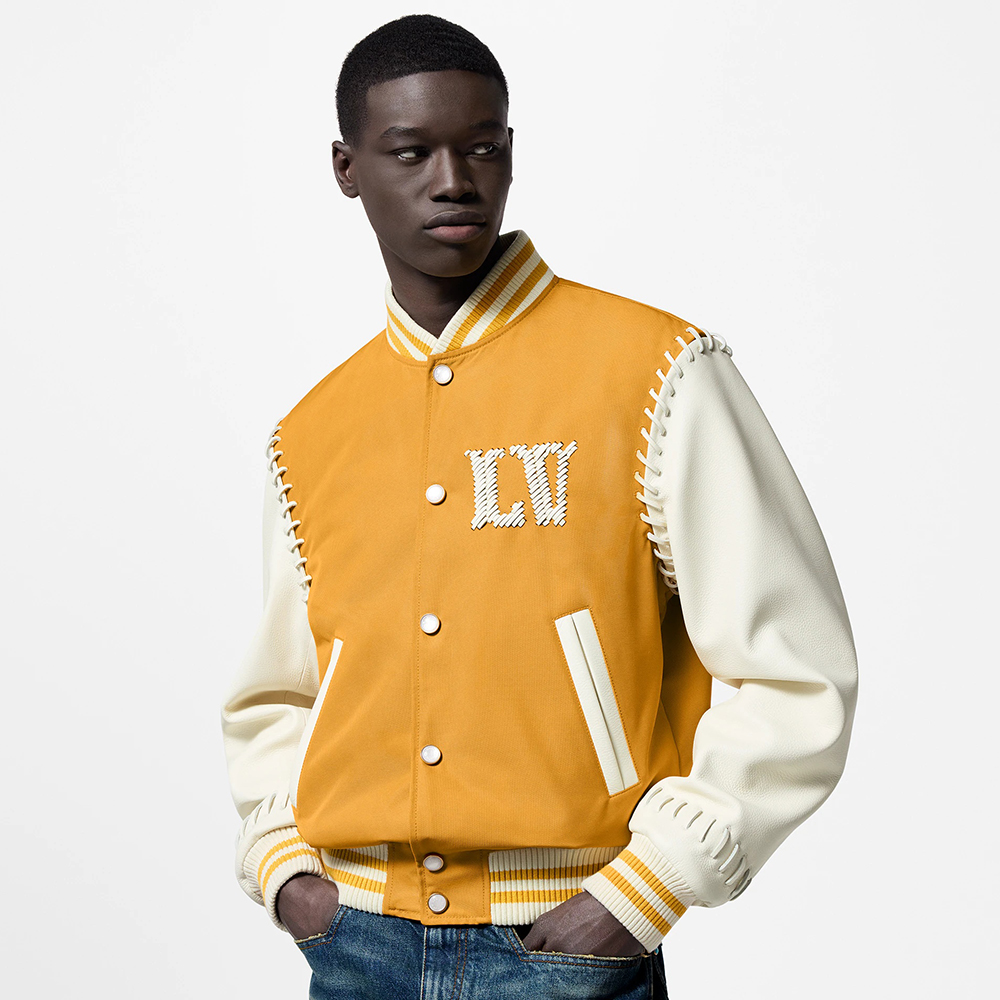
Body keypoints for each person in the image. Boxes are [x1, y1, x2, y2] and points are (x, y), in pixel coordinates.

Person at [220, 14, 859, 1000]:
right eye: (411, 152)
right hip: (355, 944)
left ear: (510, 153)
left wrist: (648, 887)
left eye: (480, 148)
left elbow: (797, 670)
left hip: (564, 946)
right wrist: (284, 869)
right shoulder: (310, 432)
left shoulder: (655, 373)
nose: (452, 180)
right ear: (347, 169)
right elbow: (277, 695)